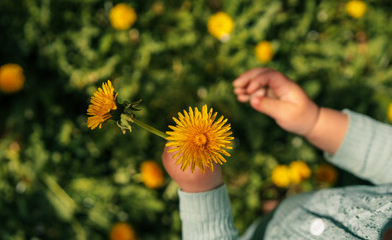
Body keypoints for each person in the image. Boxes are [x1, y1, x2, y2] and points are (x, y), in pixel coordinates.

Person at [162, 68, 392, 240]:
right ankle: (278, 212)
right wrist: (314, 121)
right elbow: (384, 153)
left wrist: (202, 190)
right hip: (299, 210)